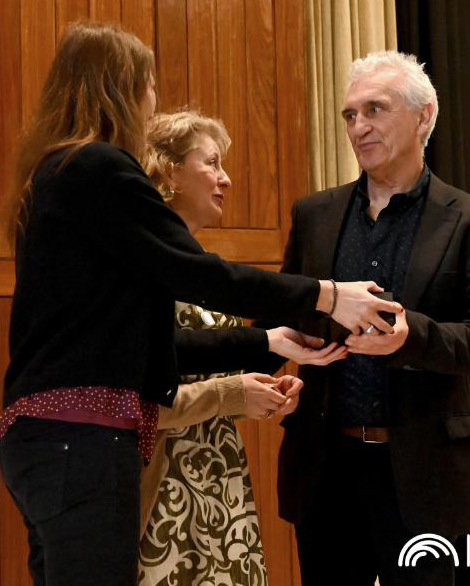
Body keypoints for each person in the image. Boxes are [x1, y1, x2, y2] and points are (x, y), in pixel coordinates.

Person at [0, 21, 400, 586]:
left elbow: (154, 346)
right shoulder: (98, 167)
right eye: (150, 86)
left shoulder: (58, 173)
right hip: (82, 439)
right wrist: (327, 295)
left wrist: (267, 340)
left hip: (50, 438)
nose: (152, 102)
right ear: (122, 88)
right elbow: (201, 275)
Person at [270, 50, 470, 586]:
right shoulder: (314, 214)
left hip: (426, 477)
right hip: (327, 470)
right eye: (350, 115)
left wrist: (411, 337)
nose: (359, 127)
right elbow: (288, 310)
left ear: (424, 117)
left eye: (375, 110)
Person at [137, 111, 348, 586]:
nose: (226, 178)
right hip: (163, 483)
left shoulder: (202, 265)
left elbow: (209, 368)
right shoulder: (144, 267)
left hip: (216, 477)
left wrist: (261, 391)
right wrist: (233, 393)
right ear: (170, 171)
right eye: (212, 163)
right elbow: (142, 390)